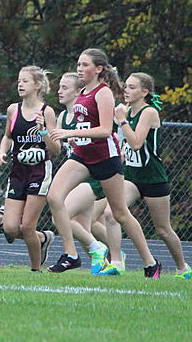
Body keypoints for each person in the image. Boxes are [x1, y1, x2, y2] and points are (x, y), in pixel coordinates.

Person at [47, 48, 160, 276]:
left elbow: (106, 130)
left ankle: (150, 262)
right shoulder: (82, 93)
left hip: (105, 159)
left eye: (85, 65)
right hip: (82, 156)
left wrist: (67, 134)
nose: (80, 69)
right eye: (78, 64)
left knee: (119, 213)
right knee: (54, 197)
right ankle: (71, 255)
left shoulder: (103, 92)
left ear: (98, 69)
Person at [111, 72, 192, 278]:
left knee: (163, 230)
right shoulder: (126, 112)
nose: (126, 91)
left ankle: (182, 267)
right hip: (132, 177)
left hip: (154, 178)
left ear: (144, 92)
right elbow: (124, 147)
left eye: (131, 87)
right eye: (125, 86)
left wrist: (121, 121)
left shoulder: (148, 112)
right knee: (111, 214)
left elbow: (137, 143)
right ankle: (121, 261)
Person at [54, 73, 121, 274]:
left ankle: (116, 255)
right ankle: (100, 258)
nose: (59, 91)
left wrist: (73, 134)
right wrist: (43, 130)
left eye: (65, 87)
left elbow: (109, 132)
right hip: (79, 167)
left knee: (116, 214)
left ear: (77, 92)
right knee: (84, 224)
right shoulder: (64, 116)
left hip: (95, 171)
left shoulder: (98, 99)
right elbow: (56, 146)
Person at [0, 66, 59, 271]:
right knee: (11, 228)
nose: (20, 85)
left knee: (27, 226)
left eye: (25, 81)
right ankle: (42, 239)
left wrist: (42, 132)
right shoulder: (13, 110)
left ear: (37, 85)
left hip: (39, 172)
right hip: (18, 172)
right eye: (19, 81)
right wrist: (2, 152)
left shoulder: (46, 112)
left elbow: (56, 149)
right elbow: (7, 136)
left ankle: (34, 270)